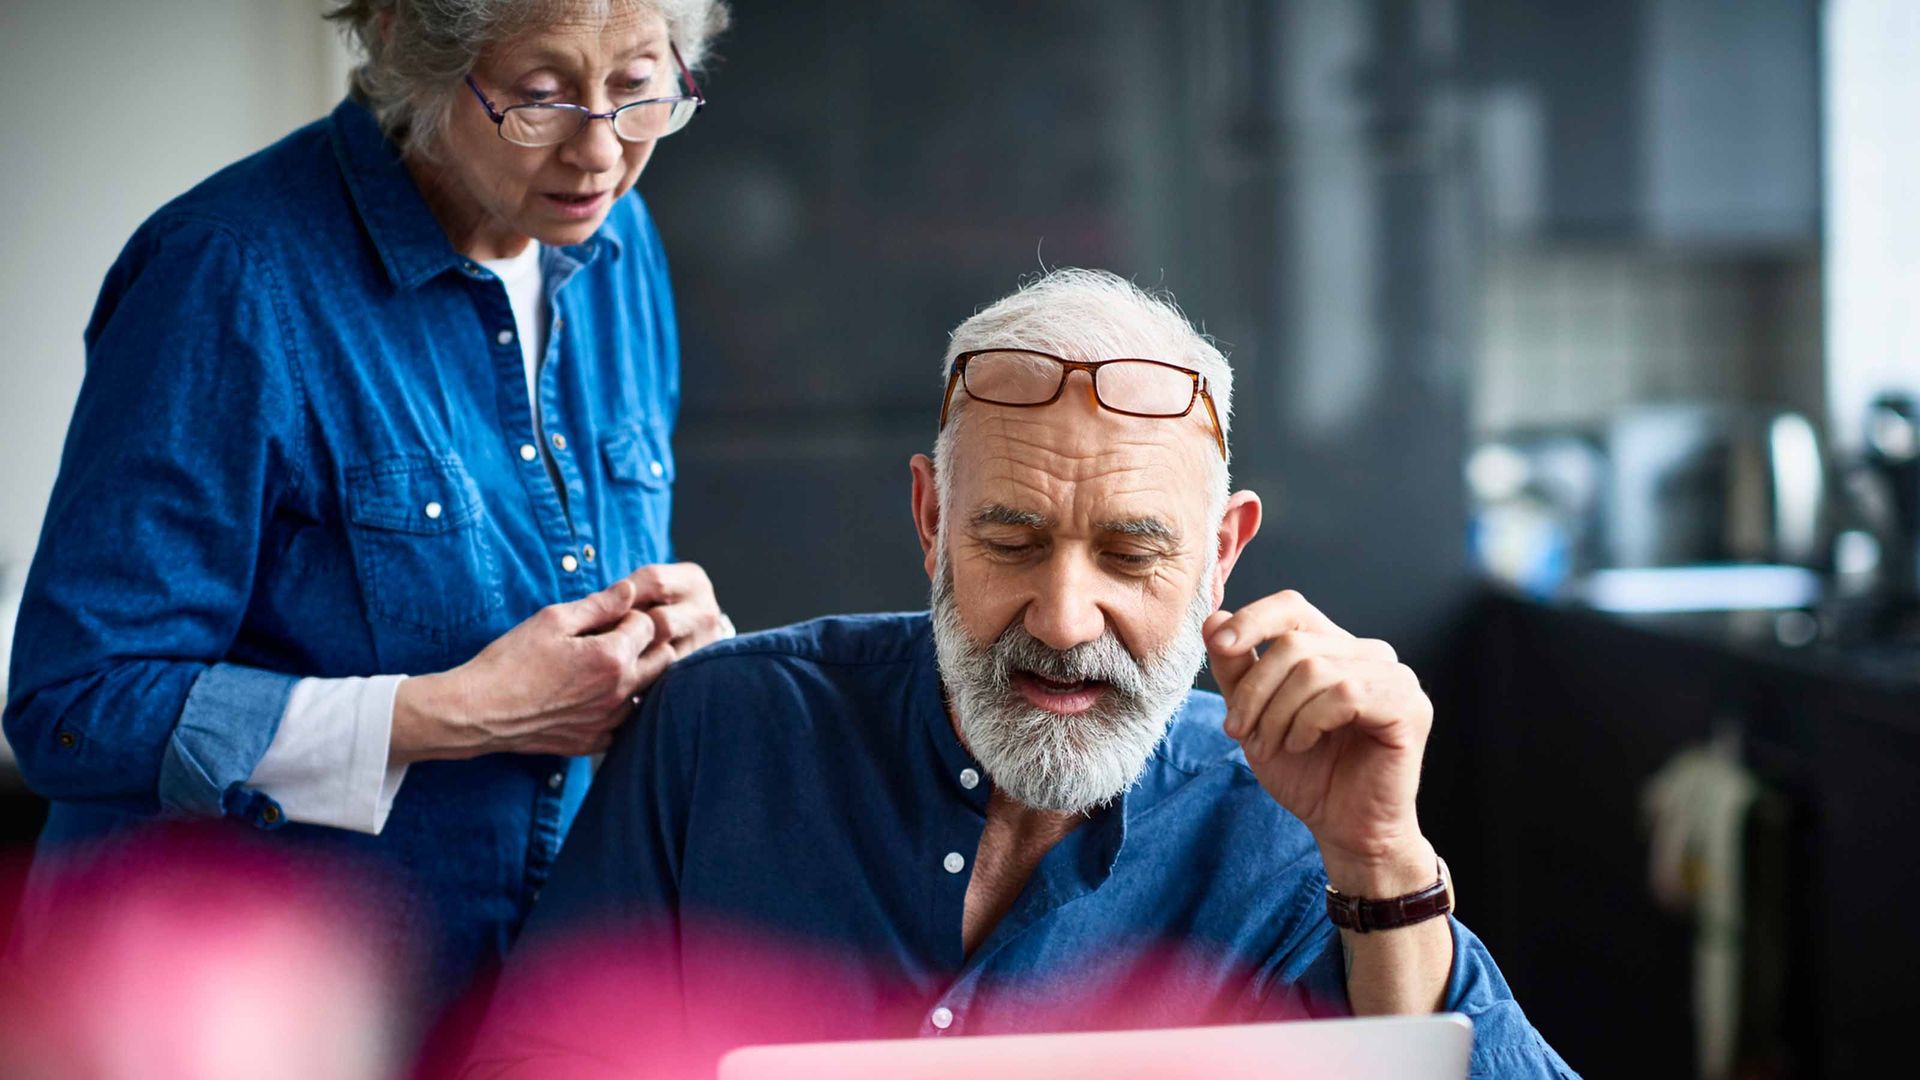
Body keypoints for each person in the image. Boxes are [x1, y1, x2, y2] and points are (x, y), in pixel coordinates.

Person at [462, 269, 1578, 1078]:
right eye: (1010, 541)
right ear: (932, 521)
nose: (1063, 615)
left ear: (1222, 553)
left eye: (1134, 553)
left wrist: (1384, 860)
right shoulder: (720, 732)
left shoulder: (1290, 814)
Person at [3, 0, 733, 1000]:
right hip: (256, 1014)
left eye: (641, 85)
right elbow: (74, 708)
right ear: (406, 42)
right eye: (540, 96)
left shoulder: (619, 243)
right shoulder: (227, 275)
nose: (600, 150)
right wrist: (449, 715)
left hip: (525, 994)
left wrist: (674, 650)